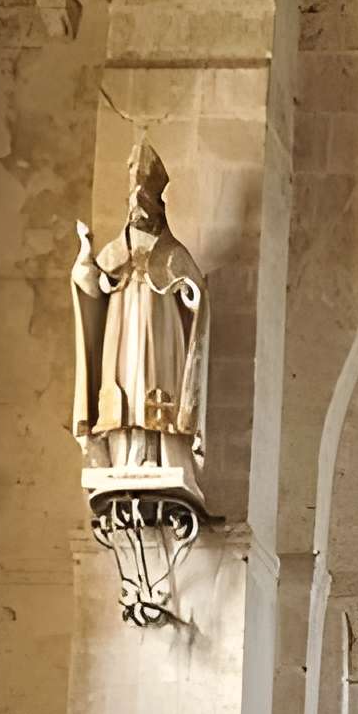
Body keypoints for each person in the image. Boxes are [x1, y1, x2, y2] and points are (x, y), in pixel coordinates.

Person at [71, 139, 209, 493]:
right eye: (134, 204)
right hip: (123, 334)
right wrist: (85, 261)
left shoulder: (172, 252)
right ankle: (124, 459)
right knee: (124, 390)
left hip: (162, 335)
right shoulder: (117, 250)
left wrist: (190, 294)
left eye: (145, 203)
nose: (139, 211)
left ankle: (158, 456)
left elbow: (195, 295)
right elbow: (92, 286)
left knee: (155, 390)